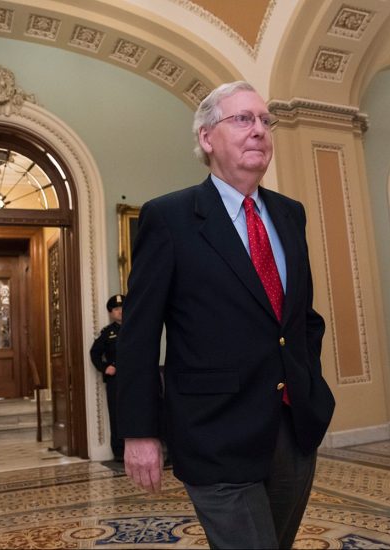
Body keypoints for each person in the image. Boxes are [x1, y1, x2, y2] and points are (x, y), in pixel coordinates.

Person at [116, 81, 335, 549]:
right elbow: (139, 332)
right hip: (214, 431)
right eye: (242, 119)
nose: (259, 130)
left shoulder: (289, 214)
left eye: (264, 121)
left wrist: (309, 382)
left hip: (293, 429)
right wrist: (139, 431)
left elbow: (301, 318)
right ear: (206, 138)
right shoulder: (169, 218)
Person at [90, 294, 125, 461]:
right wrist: (105, 368)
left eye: (123, 308)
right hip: (116, 381)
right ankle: (119, 452)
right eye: (116, 309)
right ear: (111, 313)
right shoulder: (108, 333)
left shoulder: (136, 328)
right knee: (118, 414)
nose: (121, 312)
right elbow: (94, 353)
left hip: (136, 379)